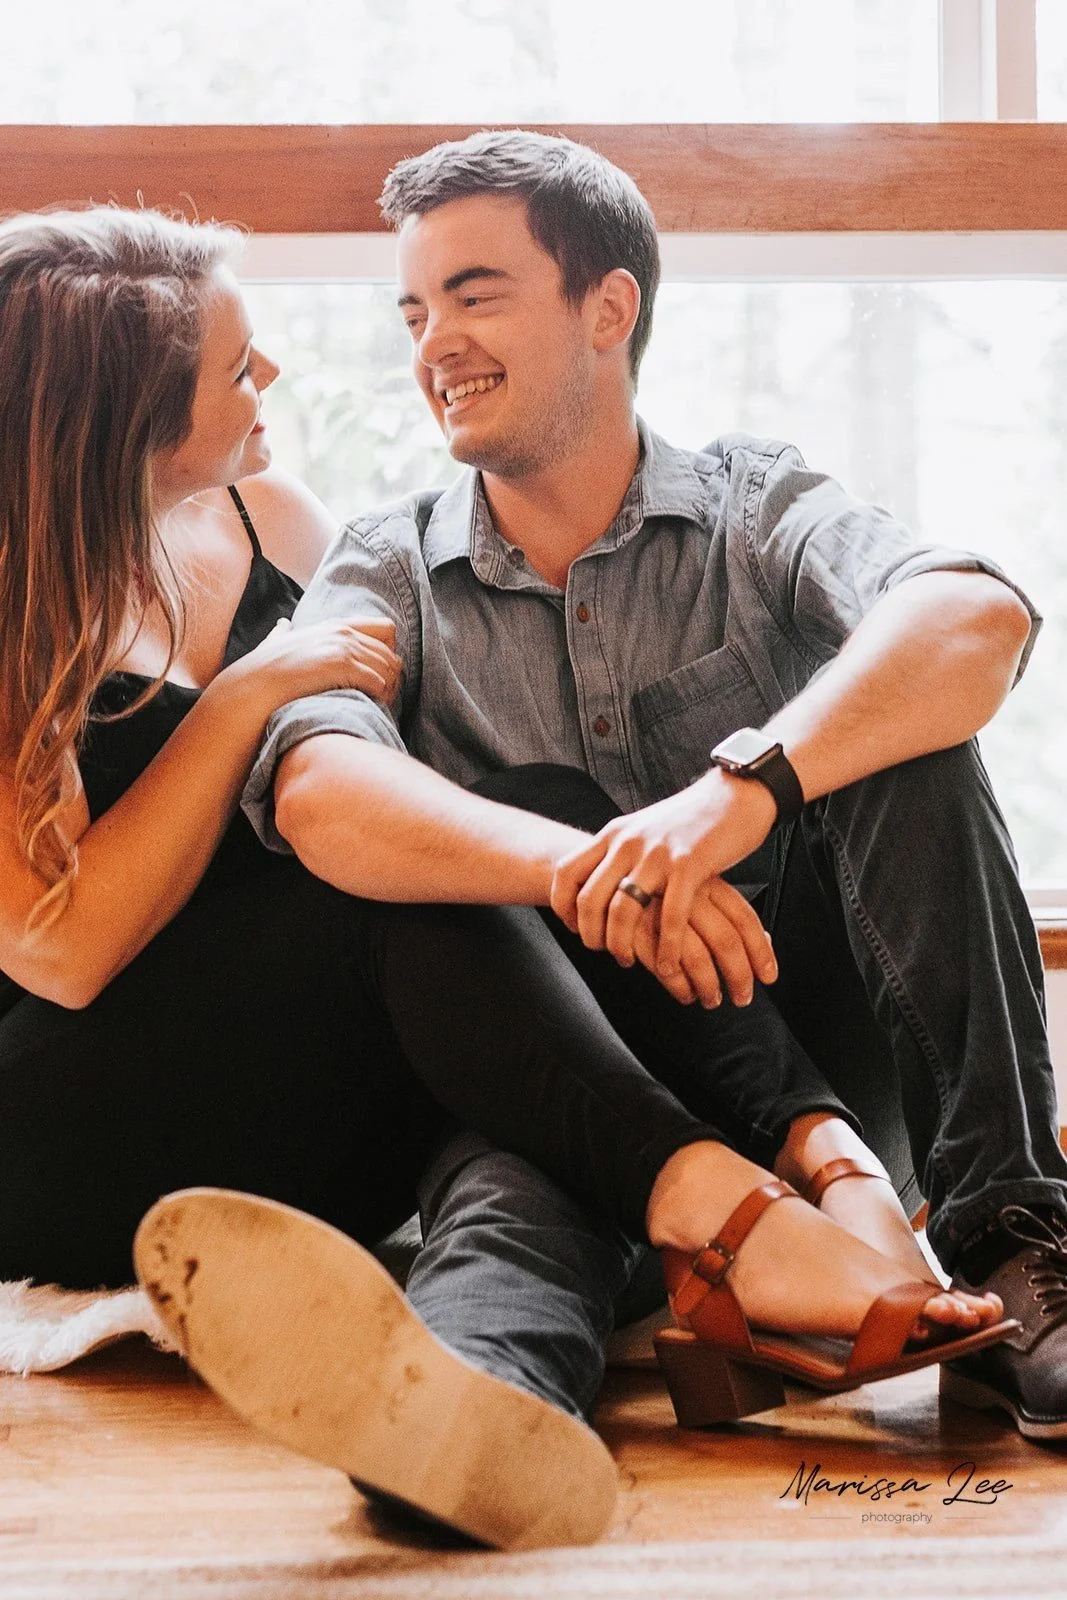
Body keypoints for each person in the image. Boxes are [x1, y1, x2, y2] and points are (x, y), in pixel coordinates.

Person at [0, 208, 1007, 1550]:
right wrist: (244, 696)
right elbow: (61, 951)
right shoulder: (17, 595)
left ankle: (472, 1395)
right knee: (406, 886)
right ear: (122, 415)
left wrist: (623, 849)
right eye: (237, 368)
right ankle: (737, 1211)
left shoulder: (270, 519)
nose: (275, 381)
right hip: (65, 1107)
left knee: (514, 890)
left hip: (306, 1072)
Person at [235, 129, 1067, 1447]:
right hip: (592, 1077)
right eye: (413, 308)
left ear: (605, 306)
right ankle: (471, 1423)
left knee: (904, 732)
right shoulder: (384, 561)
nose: (430, 343)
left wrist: (737, 791)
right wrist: (588, 866)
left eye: (475, 292)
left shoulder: (754, 502)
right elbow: (315, 790)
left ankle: (1008, 1237)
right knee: (518, 1186)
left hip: (832, 1058)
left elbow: (971, 619)